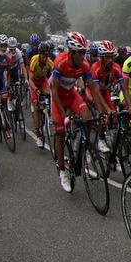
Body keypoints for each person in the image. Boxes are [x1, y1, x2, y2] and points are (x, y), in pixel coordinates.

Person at [49, 32, 107, 191]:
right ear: (72, 52)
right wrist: (63, 116)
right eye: (81, 52)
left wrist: (101, 111)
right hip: (58, 98)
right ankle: (62, 170)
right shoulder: (60, 61)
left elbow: (93, 89)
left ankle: (81, 146)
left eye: (84, 52)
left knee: (88, 118)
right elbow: (54, 90)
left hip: (71, 95)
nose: (83, 56)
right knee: (60, 132)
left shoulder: (85, 65)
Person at [28, 41, 55, 147]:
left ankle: (48, 112)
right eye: (43, 56)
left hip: (43, 81)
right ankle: (38, 133)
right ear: (40, 54)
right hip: (34, 82)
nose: (45, 58)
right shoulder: (34, 60)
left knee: (50, 93)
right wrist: (35, 89)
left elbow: (54, 77)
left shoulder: (49, 62)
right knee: (36, 106)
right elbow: (29, 79)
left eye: (46, 56)